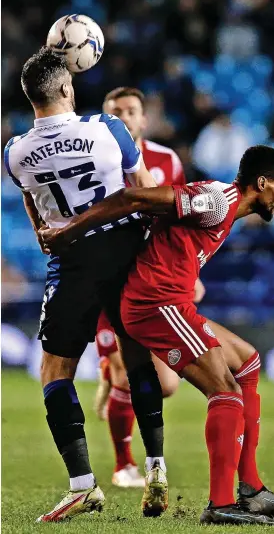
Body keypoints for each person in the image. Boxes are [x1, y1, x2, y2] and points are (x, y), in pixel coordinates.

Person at [41, 145, 274, 525]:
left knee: (247, 362)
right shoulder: (214, 201)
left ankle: (252, 489)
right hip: (154, 305)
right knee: (225, 390)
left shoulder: (226, 211)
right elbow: (133, 197)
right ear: (262, 184)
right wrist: (70, 232)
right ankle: (221, 504)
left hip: (174, 303)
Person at [3, 47, 157, 523]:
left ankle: (82, 485)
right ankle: (157, 468)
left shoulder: (15, 153)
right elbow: (145, 189)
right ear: (69, 87)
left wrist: (42, 232)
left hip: (71, 264)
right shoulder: (107, 129)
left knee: (55, 372)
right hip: (124, 250)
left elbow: (32, 200)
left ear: (29, 97)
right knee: (136, 360)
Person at [95, 87, 204, 488]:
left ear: (143, 119)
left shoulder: (166, 160)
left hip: (152, 281)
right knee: (128, 370)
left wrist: (192, 276)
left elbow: (179, 224)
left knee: (168, 384)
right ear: (106, 121)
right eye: (115, 112)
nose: (124, 117)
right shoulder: (94, 161)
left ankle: (112, 374)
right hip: (108, 277)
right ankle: (124, 465)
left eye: (131, 111)